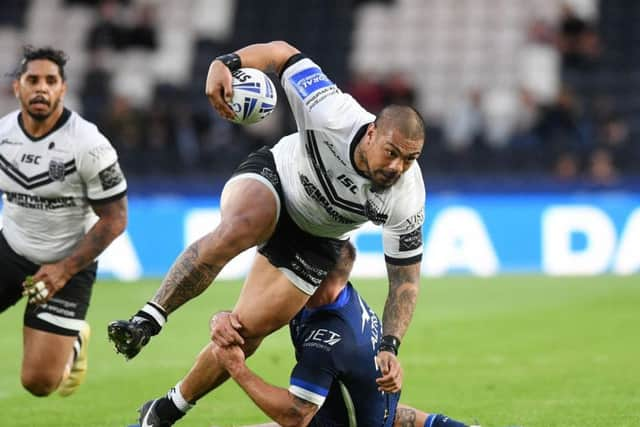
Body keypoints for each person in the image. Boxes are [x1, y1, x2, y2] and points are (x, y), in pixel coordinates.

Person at [108, 40, 425, 424]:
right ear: (372, 133)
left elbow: (405, 282)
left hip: (316, 239)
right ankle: (148, 318)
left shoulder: (407, 195)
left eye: (410, 159)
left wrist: (390, 345)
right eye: (392, 152)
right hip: (277, 178)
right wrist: (223, 64)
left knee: (246, 333)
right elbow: (280, 53)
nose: (398, 167)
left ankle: (166, 409)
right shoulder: (331, 110)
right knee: (245, 223)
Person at [211, 242, 477, 427]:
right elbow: (254, 310)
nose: (294, 274)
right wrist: (222, 317)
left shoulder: (329, 339)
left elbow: (294, 416)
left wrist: (237, 367)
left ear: (320, 275)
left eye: (304, 268)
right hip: (367, 413)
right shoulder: (334, 296)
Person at [0, 46, 128, 397]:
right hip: (10, 248)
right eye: (32, 79)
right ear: (17, 88)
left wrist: (63, 270)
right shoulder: (2, 136)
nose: (41, 87)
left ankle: (73, 342)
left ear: (62, 89)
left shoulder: (89, 145)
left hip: (68, 259)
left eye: (50, 81)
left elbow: (115, 219)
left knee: (39, 384)